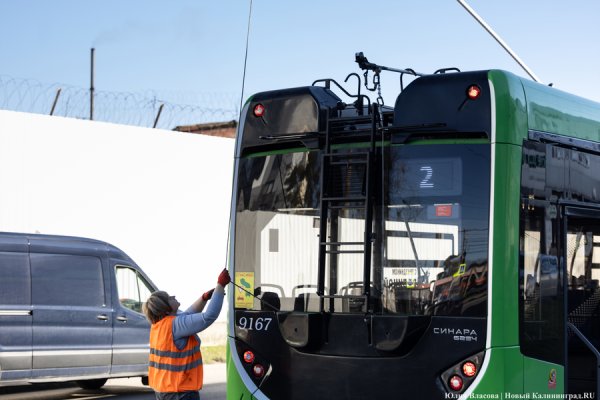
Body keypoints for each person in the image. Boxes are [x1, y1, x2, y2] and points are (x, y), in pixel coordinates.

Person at [142, 268, 231, 400]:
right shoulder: (175, 325)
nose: (173, 296)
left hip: (165, 390)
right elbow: (208, 316)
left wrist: (204, 298)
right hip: (180, 393)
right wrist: (220, 286)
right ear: (166, 309)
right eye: (169, 298)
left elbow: (187, 314)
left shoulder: (161, 325)